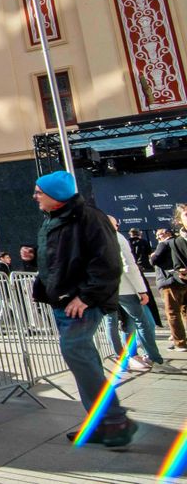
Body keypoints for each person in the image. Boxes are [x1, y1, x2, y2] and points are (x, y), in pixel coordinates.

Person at [31, 170, 136, 447]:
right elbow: (61, 260)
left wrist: (86, 297)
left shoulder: (89, 217)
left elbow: (108, 263)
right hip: (65, 302)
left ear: (55, 195)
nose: (35, 196)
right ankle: (101, 422)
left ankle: (114, 421)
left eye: (39, 192)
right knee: (82, 357)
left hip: (80, 304)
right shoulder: (54, 219)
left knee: (76, 351)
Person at [104, 216, 175, 373]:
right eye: (117, 224)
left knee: (112, 323)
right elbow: (128, 264)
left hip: (106, 290)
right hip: (126, 288)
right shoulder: (117, 237)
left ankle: (121, 359)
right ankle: (154, 359)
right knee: (142, 322)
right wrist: (141, 290)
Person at [151, 213, 187, 353]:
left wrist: (153, 255)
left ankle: (180, 342)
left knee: (172, 313)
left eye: (159, 235)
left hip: (169, 282)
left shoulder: (164, 243)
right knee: (184, 311)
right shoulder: (180, 241)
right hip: (182, 280)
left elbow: (154, 261)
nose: (157, 238)